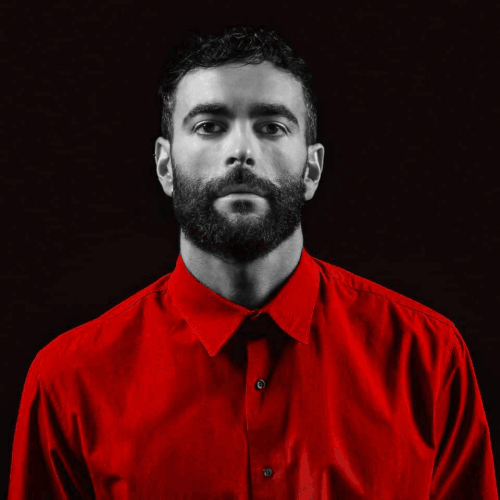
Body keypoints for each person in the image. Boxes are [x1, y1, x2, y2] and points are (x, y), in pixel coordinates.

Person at [8, 26, 498, 499]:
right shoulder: (68, 380)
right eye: (209, 126)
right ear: (165, 166)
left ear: (312, 169)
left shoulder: (428, 357)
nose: (241, 151)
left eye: (271, 127)